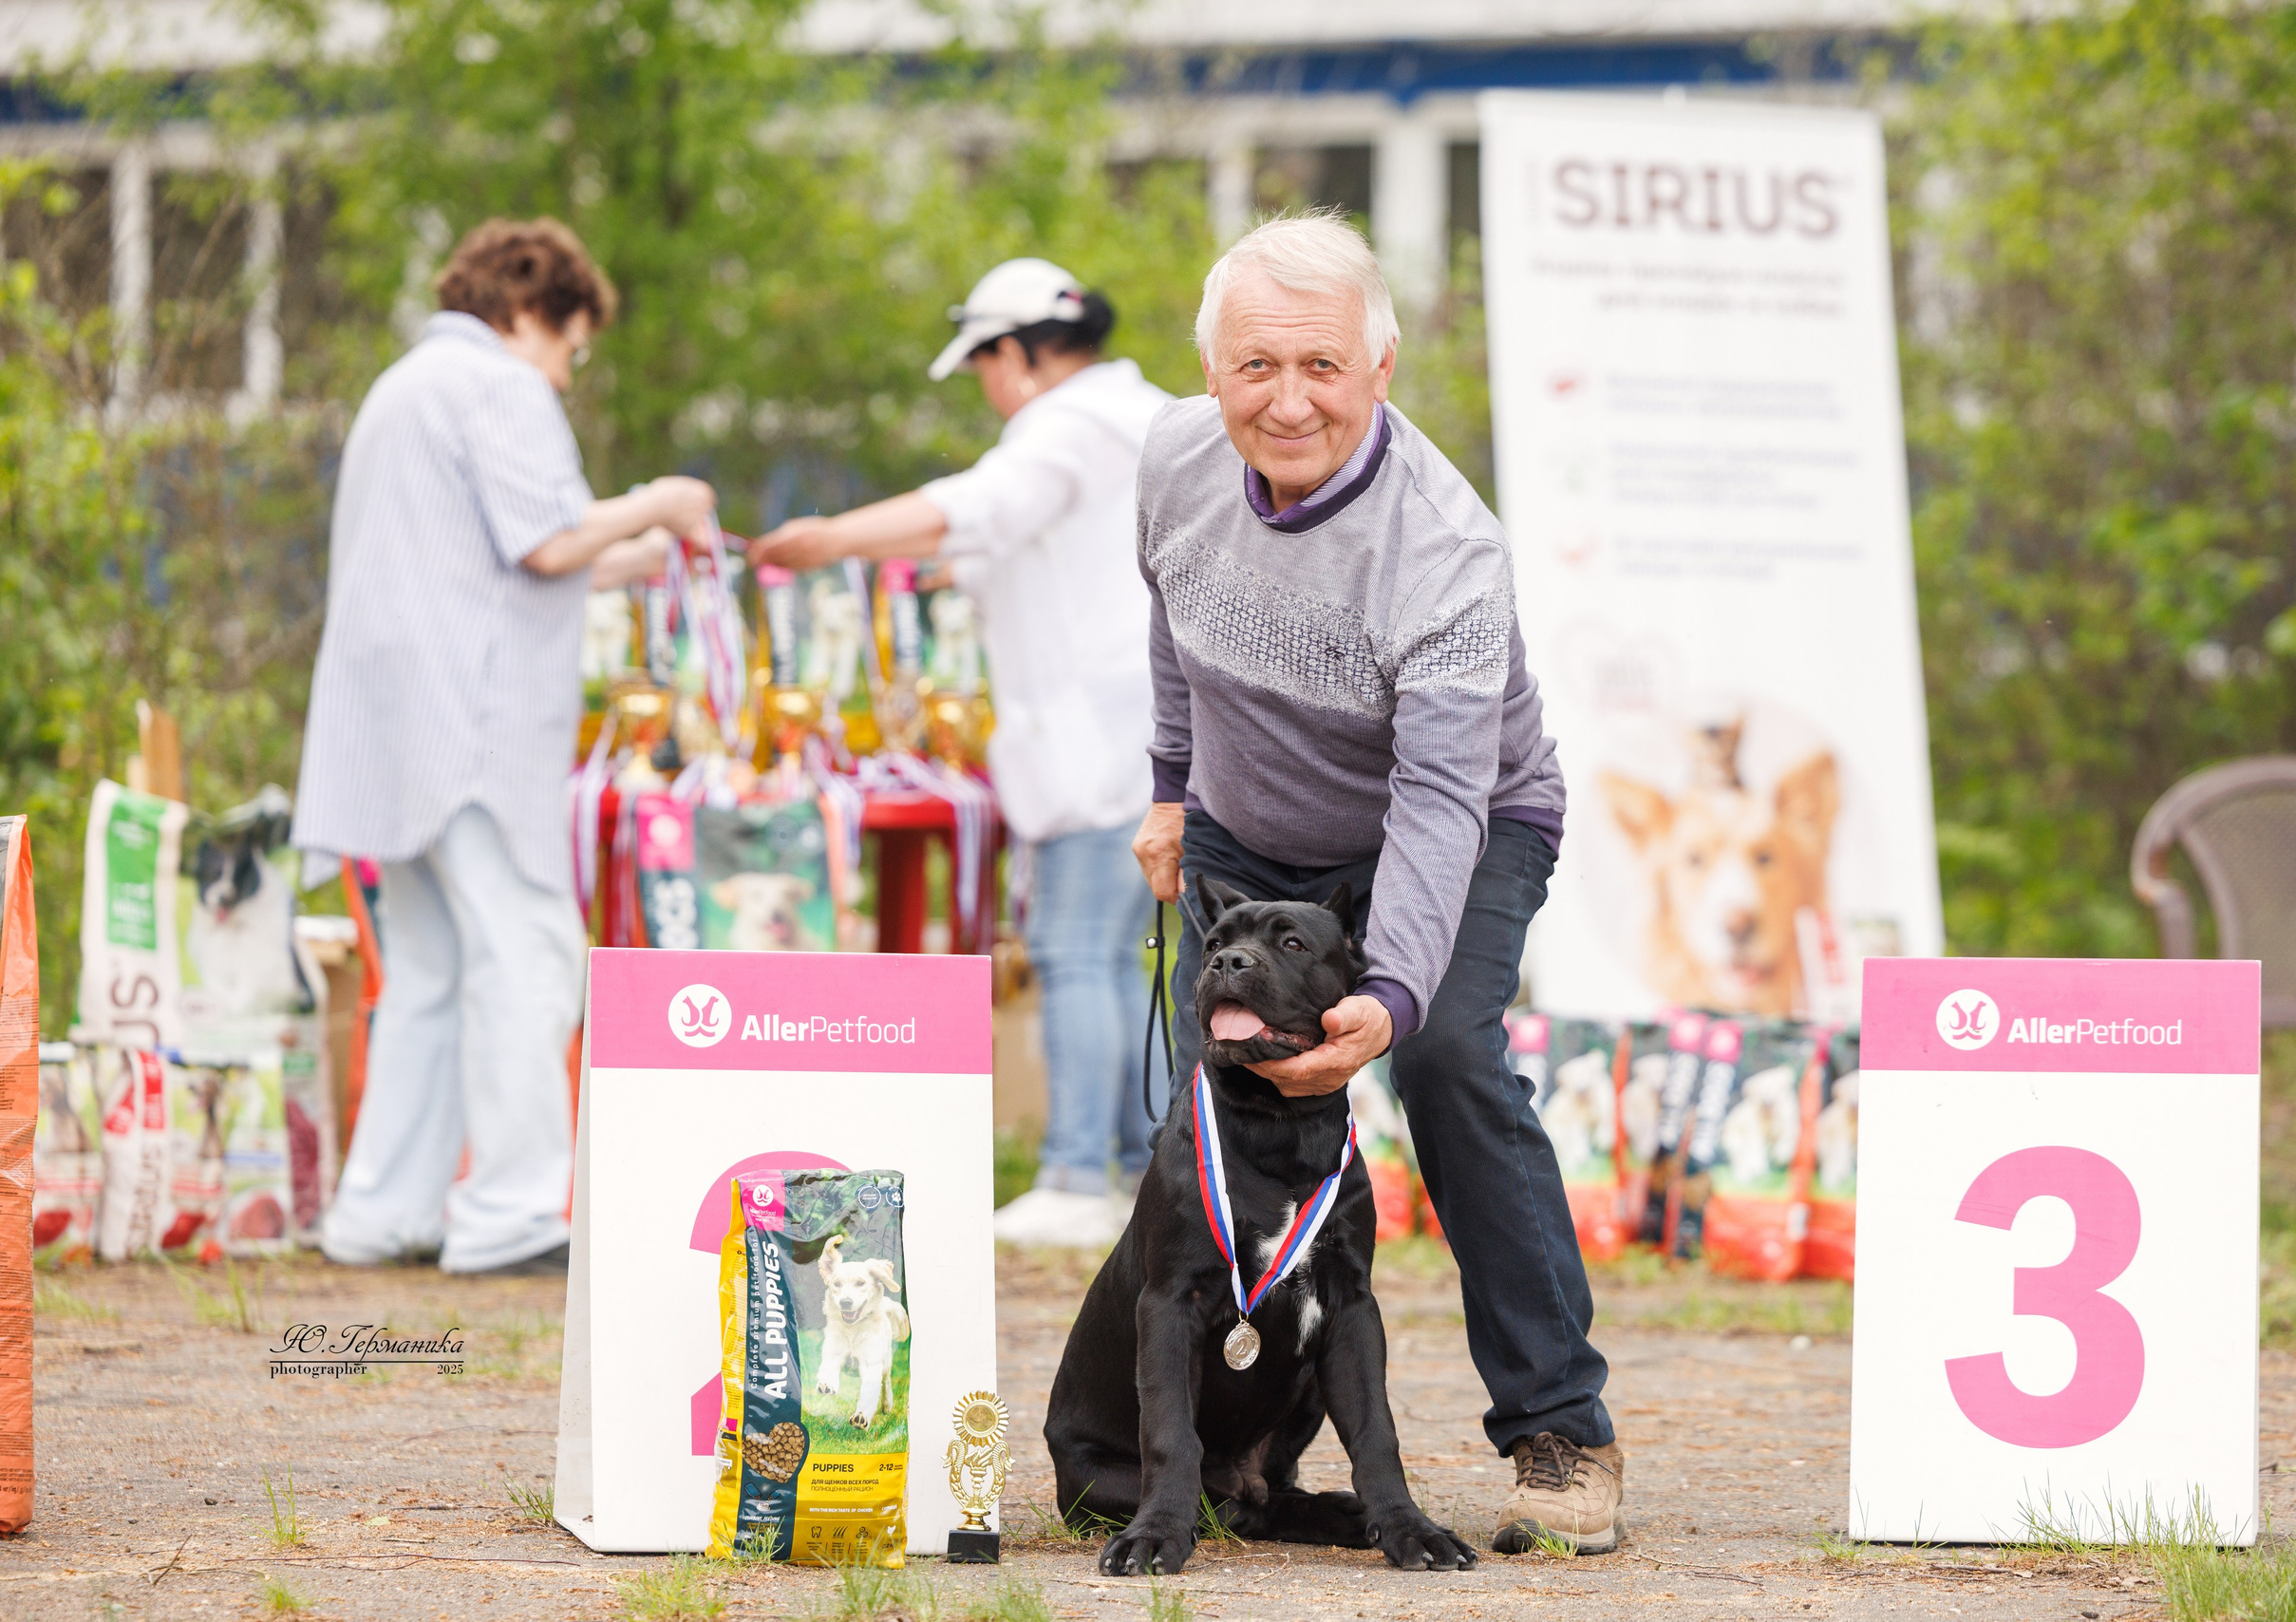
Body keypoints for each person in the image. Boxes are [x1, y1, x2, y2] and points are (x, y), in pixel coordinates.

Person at [1130, 214, 1624, 1554]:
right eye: (1255, 367)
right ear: (1213, 372)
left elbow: (1441, 799)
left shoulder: (1449, 554)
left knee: (1452, 1057)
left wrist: (1392, 998)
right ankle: (1192, 1465)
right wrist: (1171, 785)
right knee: (1212, 1137)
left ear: (1382, 367)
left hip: (1457, 823)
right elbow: (1173, 633)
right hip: (1244, 837)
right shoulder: (1175, 458)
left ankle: (1560, 1434)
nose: (1288, 400)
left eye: (1322, 366)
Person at [294, 218, 717, 1275]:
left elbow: (519, 555)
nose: (570, 376)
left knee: (430, 971)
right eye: (574, 347)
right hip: (467, 727)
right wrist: (662, 501)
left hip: (390, 728)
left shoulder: (406, 386)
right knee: (526, 954)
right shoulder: (497, 384)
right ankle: (515, 1210)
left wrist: (642, 551)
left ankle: (383, 1211)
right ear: (535, 311)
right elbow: (546, 539)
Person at [752, 259, 1171, 1248]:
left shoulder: (1069, 428)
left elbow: (979, 504)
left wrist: (828, 539)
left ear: (1017, 355)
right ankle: (1129, 1165)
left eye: (984, 365)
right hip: (1137, 734)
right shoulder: (1142, 418)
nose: (986, 390)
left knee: (1078, 952)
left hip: (1095, 747)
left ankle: (1077, 1170)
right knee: (1118, 958)